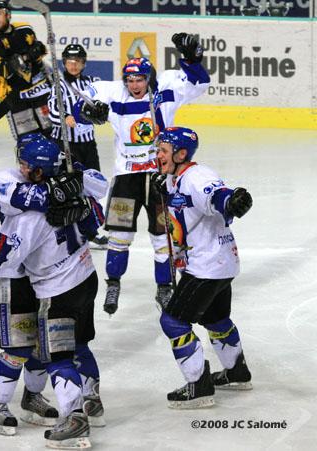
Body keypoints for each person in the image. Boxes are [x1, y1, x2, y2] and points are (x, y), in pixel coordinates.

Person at [0, 137, 107, 449]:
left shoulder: (44, 205)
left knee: (46, 348)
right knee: (19, 348)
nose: (21, 167)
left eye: (27, 164)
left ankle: (38, 400)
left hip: (45, 278)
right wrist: (63, 191)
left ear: (40, 171)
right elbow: (92, 212)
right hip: (17, 279)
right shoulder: (10, 182)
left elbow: (98, 190)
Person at [72, 33, 210, 314]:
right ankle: (113, 284)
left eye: (140, 79)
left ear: (150, 78)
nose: (135, 85)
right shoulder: (112, 92)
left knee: (163, 236)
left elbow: (200, 83)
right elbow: (80, 106)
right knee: (119, 236)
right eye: (130, 80)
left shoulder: (168, 87)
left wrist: (192, 59)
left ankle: (164, 287)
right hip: (126, 178)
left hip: (161, 176)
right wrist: (90, 112)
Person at [152, 127, 253, 409]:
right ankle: (237, 372)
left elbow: (217, 195)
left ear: (181, 154)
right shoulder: (177, 177)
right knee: (216, 319)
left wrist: (231, 201)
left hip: (206, 266)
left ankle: (199, 386)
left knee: (172, 321)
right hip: (221, 261)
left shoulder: (197, 177)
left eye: (163, 150)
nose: (158, 155)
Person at [48, 44, 108, 250]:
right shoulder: (59, 83)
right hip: (65, 144)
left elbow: (100, 107)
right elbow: (52, 109)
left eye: (78, 61)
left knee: (91, 186)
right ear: (64, 62)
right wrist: (65, 117)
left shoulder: (93, 83)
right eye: (69, 61)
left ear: (84, 63)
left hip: (87, 144)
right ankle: (64, 230)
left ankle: (91, 231)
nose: (73, 65)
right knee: (67, 187)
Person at [0, 0, 52, 140]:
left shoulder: (25, 29)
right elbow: (3, 71)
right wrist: (26, 56)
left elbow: (39, 54)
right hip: (14, 96)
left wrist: (39, 48)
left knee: (52, 132)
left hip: (40, 90)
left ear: (8, 14)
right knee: (27, 140)